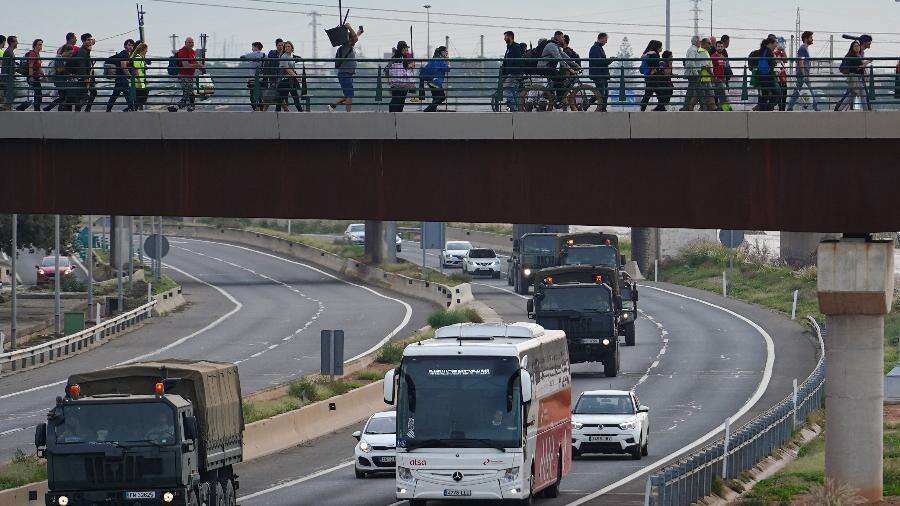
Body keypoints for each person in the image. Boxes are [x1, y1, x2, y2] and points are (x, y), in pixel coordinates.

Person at [834, 34, 872, 111]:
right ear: (865, 42)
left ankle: (839, 108)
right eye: (869, 42)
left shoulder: (859, 53)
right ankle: (867, 110)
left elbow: (860, 65)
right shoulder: (857, 54)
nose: (870, 44)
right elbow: (859, 65)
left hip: (856, 75)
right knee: (858, 93)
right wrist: (867, 63)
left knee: (853, 93)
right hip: (855, 76)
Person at [329, 24, 362, 112]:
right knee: (349, 95)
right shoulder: (346, 46)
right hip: (345, 74)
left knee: (348, 94)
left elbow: (355, 37)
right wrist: (349, 27)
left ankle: (333, 105)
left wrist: (359, 32)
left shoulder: (346, 46)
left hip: (347, 74)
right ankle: (348, 114)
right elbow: (355, 38)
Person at [43, 33, 78, 111]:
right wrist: (67, 73)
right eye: (69, 53)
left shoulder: (62, 58)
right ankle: (48, 108)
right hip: (60, 81)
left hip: (60, 81)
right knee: (63, 97)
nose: (70, 55)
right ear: (64, 52)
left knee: (63, 97)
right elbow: (59, 70)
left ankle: (49, 108)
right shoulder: (59, 58)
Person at [168, 37, 203, 112]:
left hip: (190, 76)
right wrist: (197, 65)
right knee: (188, 93)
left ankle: (182, 107)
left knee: (188, 93)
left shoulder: (192, 52)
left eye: (192, 42)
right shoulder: (183, 51)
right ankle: (179, 107)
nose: (191, 44)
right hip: (183, 76)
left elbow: (194, 62)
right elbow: (186, 65)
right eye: (189, 42)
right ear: (185, 43)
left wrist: (199, 65)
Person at [787, 31, 818, 111]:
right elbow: (800, 62)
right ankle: (815, 107)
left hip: (803, 74)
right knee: (807, 91)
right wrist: (804, 74)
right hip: (802, 74)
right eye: (811, 38)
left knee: (797, 92)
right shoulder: (802, 48)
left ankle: (790, 107)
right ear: (806, 38)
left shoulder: (804, 48)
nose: (812, 39)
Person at [68, 33, 97, 112]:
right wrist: (85, 78)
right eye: (88, 40)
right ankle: (83, 110)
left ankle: (85, 109)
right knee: (84, 95)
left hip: (88, 76)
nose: (90, 41)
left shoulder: (85, 49)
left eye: (90, 40)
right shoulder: (82, 51)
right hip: (85, 76)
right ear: (83, 41)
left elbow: (89, 49)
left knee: (89, 93)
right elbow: (81, 65)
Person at [105, 39, 135, 112]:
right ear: (125, 46)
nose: (131, 47)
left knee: (117, 93)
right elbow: (123, 66)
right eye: (129, 45)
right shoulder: (124, 54)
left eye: (132, 45)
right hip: (122, 77)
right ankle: (131, 108)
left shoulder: (124, 54)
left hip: (120, 77)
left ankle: (109, 109)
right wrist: (129, 76)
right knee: (126, 93)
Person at [16, 39, 45, 111]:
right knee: (38, 93)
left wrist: (44, 75)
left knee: (37, 93)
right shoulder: (33, 53)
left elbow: (38, 67)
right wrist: (31, 77)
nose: (41, 46)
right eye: (39, 44)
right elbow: (30, 66)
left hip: (36, 76)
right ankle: (36, 109)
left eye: (41, 44)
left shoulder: (37, 54)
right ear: (35, 45)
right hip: (32, 77)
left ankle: (35, 108)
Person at [500, 31, 525, 112]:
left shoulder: (515, 47)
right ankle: (515, 106)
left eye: (505, 37)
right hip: (510, 73)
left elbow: (518, 60)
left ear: (510, 37)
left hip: (514, 72)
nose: (504, 38)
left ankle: (513, 107)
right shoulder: (509, 47)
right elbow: (505, 61)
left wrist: (515, 71)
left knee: (507, 87)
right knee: (511, 89)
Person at [420, 46, 449, 112]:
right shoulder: (440, 60)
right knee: (442, 97)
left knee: (436, 97)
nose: (447, 53)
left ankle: (432, 110)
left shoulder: (435, 58)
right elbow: (447, 68)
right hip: (435, 81)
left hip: (430, 80)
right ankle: (428, 110)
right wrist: (447, 61)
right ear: (442, 52)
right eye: (446, 51)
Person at [388, 41, 415, 112]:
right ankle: (393, 115)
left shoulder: (404, 57)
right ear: (402, 49)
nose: (407, 51)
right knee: (397, 100)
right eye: (406, 49)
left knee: (401, 101)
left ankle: (397, 114)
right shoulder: (397, 58)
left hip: (403, 83)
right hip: (398, 83)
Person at [276, 41, 304, 112]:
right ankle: (277, 113)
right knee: (281, 99)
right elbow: (287, 69)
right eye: (286, 47)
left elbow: (291, 69)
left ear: (292, 48)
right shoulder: (284, 56)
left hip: (290, 80)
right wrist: (296, 76)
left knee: (294, 97)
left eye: (288, 46)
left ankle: (300, 111)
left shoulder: (290, 56)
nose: (287, 48)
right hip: (285, 80)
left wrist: (295, 75)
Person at [588, 33, 611, 111]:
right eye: (605, 39)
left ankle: (603, 108)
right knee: (601, 92)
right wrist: (609, 61)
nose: (606, 42)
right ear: (601, 38)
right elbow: (598, 62)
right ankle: (588, 103)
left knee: (604, 92)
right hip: (598, 74)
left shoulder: (598, 48)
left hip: (602, 74)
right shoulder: (595, 48)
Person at [638, 40, 663, 112]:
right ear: (656, 47)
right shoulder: (654, 54)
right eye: (660, 46)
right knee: (655, 91)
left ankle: (660, 106)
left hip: (647, 75)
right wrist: (655, 69)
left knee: (651, 91)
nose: (661, 48)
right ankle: (660, 106)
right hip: (652, 76)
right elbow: (654, 64)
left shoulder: (647, 53)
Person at [680, 36, 703, 111]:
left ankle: (686, 106)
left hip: (693, 73)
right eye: (699, 41)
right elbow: (691, 62)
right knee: (698, 90)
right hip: (693, 74)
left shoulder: (694, 49)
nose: (700, 43)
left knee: (692, 90)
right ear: (696, 42)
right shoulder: (693, 50)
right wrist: (696, 73)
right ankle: (703, 105)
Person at [241, 42, 265, 110]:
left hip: (253, 78)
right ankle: (261, 108)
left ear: (256, 47)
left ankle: (256, 109)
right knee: (259, 94)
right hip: (261, 78)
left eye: (253, 47)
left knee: (252, 95)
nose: (252, 49)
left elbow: (242, 57)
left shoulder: (253, 54)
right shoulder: (264, 55)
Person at [756, 37, 777, 111]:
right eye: (775, 43)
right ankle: (769, 108)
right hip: (768, 76)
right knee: (777, 92)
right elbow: (772, 64)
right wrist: (775, 59)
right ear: (770, 44)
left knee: (765, 94)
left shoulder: (761, 51)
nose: (776, 45)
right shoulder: (769, 51)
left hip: (761, 75)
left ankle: (763, 110)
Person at [710, 40, 731, 110]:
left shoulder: (723, 57)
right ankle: (726, 109)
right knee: (721, 96)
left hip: (722, 80)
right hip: (715, 80)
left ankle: (722, 109)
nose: (720, 48)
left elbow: (724, 68)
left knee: (721, 96)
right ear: (716, 47)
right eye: (718, 46)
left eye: (721, 46)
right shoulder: (712, 57)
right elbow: (710, 68)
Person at [130, 42, 149, 110]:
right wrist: (139, 82)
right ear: (142, 50)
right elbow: (136, 70)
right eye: (146, 49)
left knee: (140, 97)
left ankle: (136, 108)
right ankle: (135, 109)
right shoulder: (137, 58)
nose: (147, 51)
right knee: (142, 96)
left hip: (140, 82)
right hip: (138, 82)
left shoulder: (139, 57)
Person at [0, 35, 15, 111]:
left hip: (5, 75)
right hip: (5, 75)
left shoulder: (6, 51)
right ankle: (6, 106)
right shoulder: (3, 52)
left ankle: (6, 106)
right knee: (5, 91)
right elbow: (3, 63)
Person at [773, 37, 788, 111]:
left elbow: (786, 60)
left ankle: (783, 108)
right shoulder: (774, 52)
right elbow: (775, 63)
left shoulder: (781, 53)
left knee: (784, 93)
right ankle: (780, 108)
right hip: (777, 75)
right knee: (779, 93)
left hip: (783, 75)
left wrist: (783, 50)